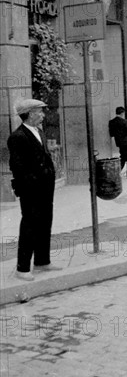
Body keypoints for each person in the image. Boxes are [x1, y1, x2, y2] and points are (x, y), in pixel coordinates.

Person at [7, 98, 60, 280]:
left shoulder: (39, 131)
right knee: (29, 225)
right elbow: (17, 166)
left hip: (46, 187)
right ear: (29, 114)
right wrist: (32, 184)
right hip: (31, 190)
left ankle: (42, 261)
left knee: (45, 222)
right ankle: (22, 268)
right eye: (40, 112)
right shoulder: (18, 137)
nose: (43, 115)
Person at [109, 106, 127, 179]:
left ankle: (116, 172)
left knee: (123, 157)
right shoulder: (124, 121)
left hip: (120, 143)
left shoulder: (111, 122)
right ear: (122, 113)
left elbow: (111, 134)